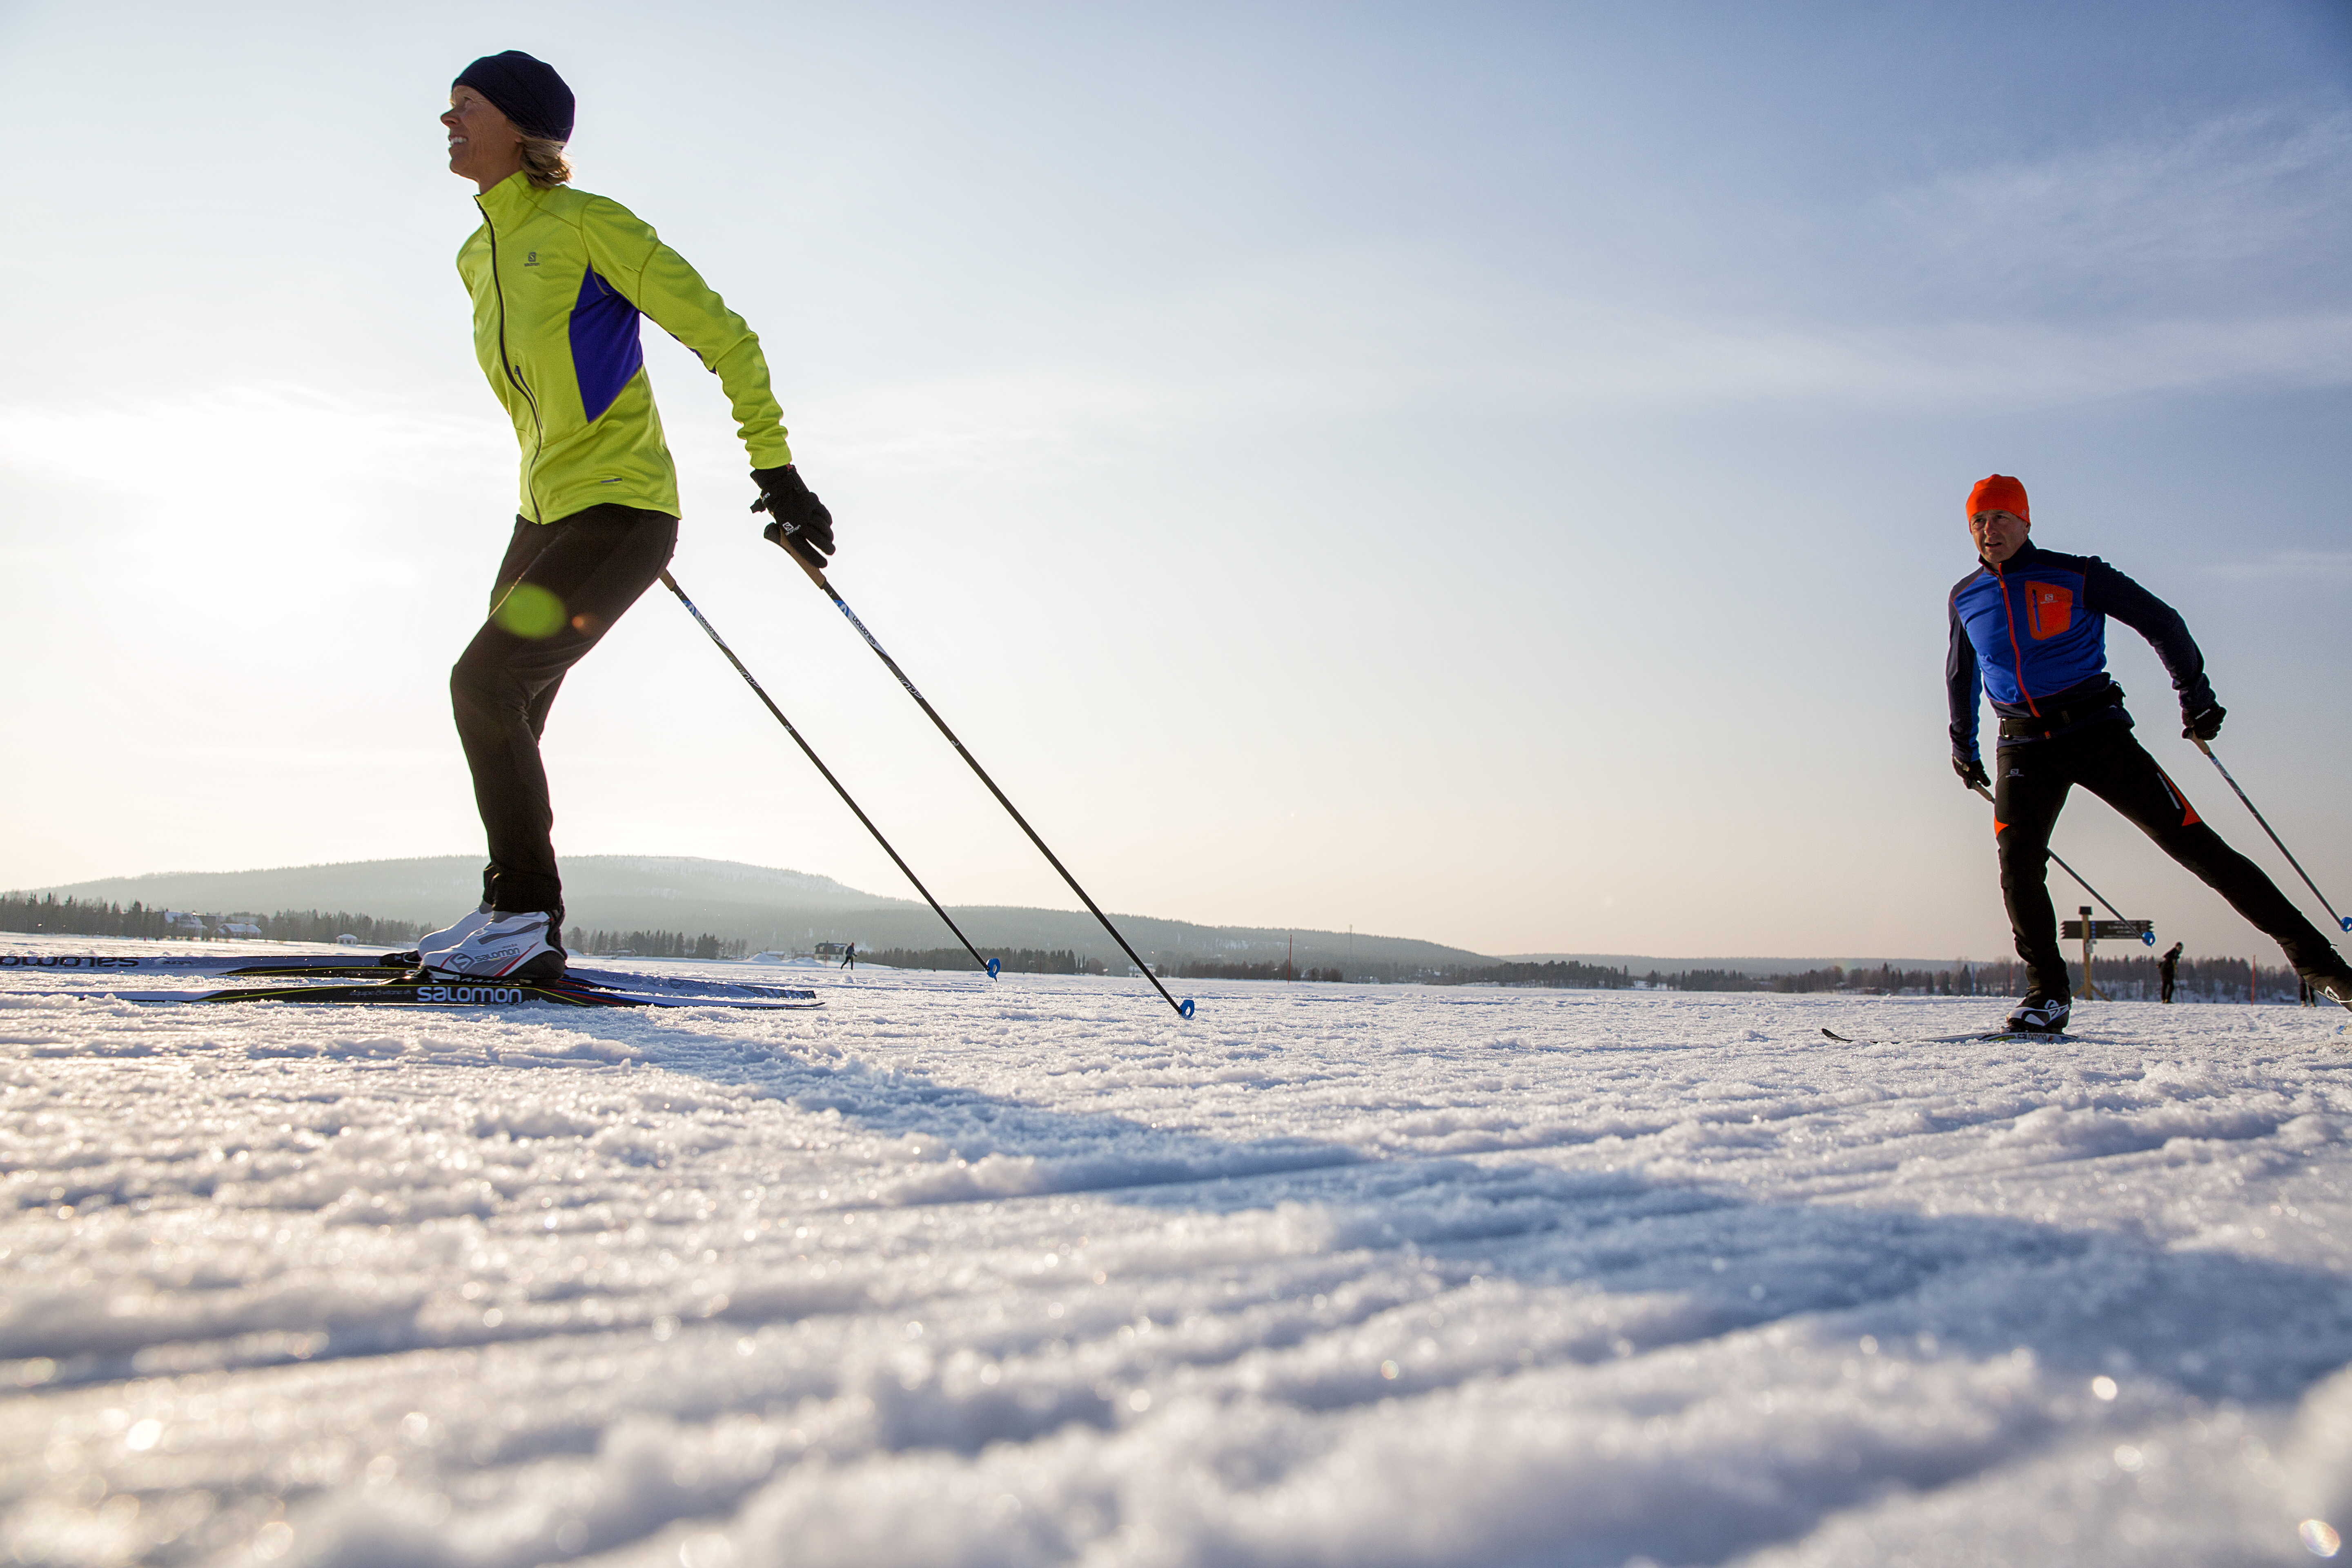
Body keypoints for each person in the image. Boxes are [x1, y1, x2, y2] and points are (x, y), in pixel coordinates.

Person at [415, 51, 837, 980]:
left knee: (485, 682)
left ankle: (522, 914)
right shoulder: (473, 254)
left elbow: (726, 335)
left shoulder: (588, 225)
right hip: (545, 520)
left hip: (621, 514)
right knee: (506, 701)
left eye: (466, 108)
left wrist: (777, 471)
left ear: (520, 129)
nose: (446, 123)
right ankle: (513, 909)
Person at [1946, 474, 2352, 1032]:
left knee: (2199, 849)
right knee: (2017, 866)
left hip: (2096, 730)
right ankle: (2047, 995)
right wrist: (1963, 745)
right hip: (2022, 743)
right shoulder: (1966, 596)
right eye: (1978, 522)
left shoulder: (2078, 574)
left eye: (2000, 518)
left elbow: (2162, 622)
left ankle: (2324, 969)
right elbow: (1961, 674)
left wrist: (2195, 695)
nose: (1989, 530)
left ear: (2025, 522)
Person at [2158, 940, 2183, 1004]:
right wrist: (2174, 958)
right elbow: (2166, 956)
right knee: (2169, 985)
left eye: (2181, 948)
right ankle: (2166, 1000)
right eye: (2179, 948)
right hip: (2166, 970)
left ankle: (2165, 1000)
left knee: (2166, 985)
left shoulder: (2176, 953)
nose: (2180, 949)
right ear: (2177, 947)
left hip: (2169, 970)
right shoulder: (2174, 952)